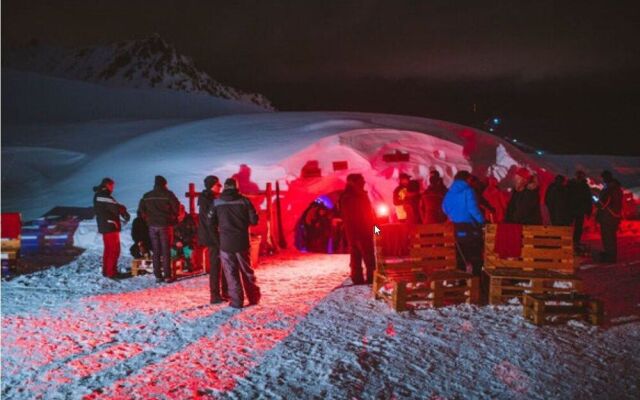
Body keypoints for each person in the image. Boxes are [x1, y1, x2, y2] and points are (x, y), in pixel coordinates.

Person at [208, 178, 260, 308]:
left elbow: (210, 223)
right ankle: (253, 298)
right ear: (236, 187)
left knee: (230, 273)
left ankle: (237, 301)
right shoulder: (245, 201)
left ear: (225, 187)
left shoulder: (216, 202)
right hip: (242, 241)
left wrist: (218, 238)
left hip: (225, 243)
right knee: (247, 271)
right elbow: (254, 221)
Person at [442, 171, 485, 275]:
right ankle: (475, 282)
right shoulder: (468, 191)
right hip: (471, 229)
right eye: (470, 179)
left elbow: (444, 208)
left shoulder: (449, 192)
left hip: (457, 229)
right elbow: (473, 209)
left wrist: (453, 216)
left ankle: (462, 282)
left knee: (461, 257)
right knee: (475, 257)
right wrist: (482, 221)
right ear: (466, 179)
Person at [139, 175, 180, 283]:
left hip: (152, 226)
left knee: (156, 250)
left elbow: (141, 210)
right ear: (164, 184)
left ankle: (157, 275)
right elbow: (176, 208)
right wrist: (173, 217)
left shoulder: (147, 195)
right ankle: (167, 275)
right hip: (165, 225)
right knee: (166, 250)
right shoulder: (168, 194)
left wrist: (148, 219)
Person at [338, 173, 376, 284]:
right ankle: (371, 278)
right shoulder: (359, 196)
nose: (364, 182)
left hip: (351, 233)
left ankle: (357, 278)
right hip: (363, 232)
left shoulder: (344, 196)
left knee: (355, 256)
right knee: (369, 257)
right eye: (361, 181)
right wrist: (377, 231)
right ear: (354, 183)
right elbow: (369, 217)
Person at [198, 175, 228, 303]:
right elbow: (210, 222)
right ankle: (215, 295)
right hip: (212, 237)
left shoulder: (210, 198)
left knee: (222, 265)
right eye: (218, 184)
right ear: (211, 185)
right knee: (216, 266)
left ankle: (223, 292)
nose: (220, 186)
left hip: (214, 236)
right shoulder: (208, 200)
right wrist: (216, 240)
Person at [93, 177, 130, 278]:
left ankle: (106, 271)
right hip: (110, 225)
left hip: (105, 226)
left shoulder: (100, 195)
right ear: (107, 185)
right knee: (114, 249)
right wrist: (123, 210)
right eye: (112, 186)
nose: (112, 188)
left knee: (108, 249)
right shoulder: (103, 196)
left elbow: (113, 206)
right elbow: (115, 207)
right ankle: (111, 272)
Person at [596, 170, 623, 262]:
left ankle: (610, 257)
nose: (603, 180)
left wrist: (596, 202)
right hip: (614, 217)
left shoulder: (610, 189)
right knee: (611, 237)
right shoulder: (617, 188)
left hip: (608, 217)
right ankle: (611, 255)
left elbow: (603, 203)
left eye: (603, 178)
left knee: (608, 237)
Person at [567, 170, 593, 249]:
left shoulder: (580, 186)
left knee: (577, 227)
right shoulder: (573, 185)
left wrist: (588, 211)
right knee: (571, 226)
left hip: (576, 210)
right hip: (573, 209)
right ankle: (570, 240)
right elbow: (588, 199)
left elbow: (588, 199)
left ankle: (575, 241)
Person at [172, 204, 196, 270]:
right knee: (172, 253)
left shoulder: (190, 219)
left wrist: (185, 241)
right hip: (175, 244)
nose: (179, 216)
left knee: (188, 251)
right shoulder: (173, 220)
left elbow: (194, 232)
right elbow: (170, 234)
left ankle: (189, 265)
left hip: (187, 242)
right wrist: (176, 242)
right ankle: (173, 268)